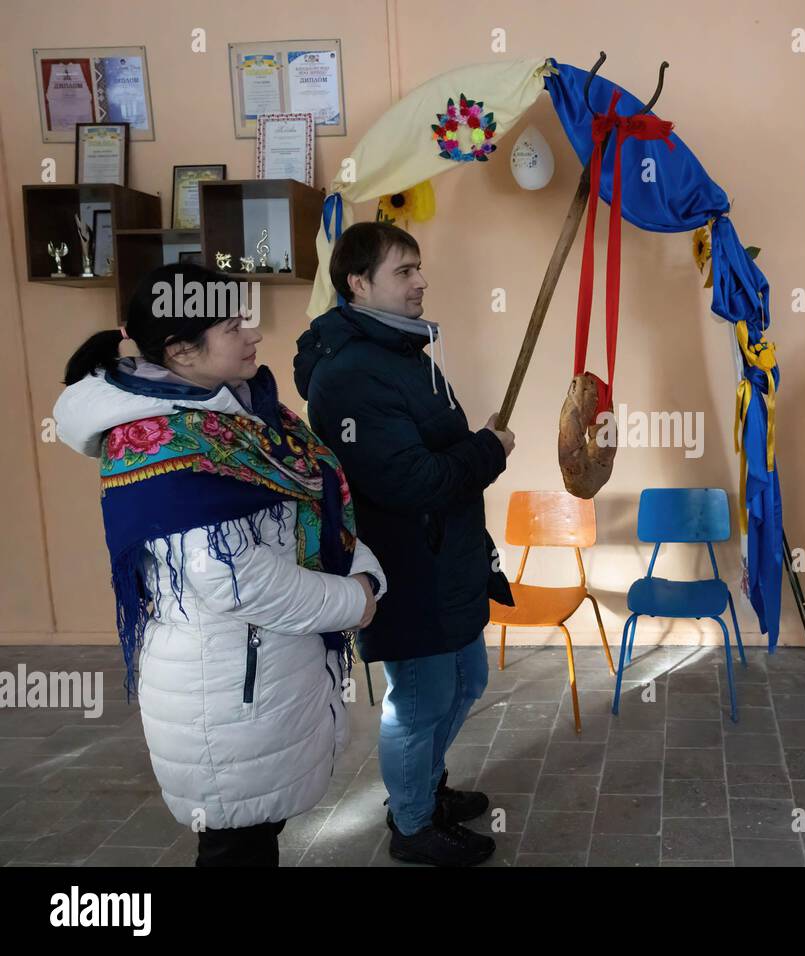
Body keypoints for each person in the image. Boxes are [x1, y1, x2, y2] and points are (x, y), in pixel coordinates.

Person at [53, 262, 386, 865]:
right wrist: (355, 601)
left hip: (263, 671)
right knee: (236, 846)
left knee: (254, 839)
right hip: (224, 688)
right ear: (182, 351)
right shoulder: (166, 438)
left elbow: (314, 502)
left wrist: (361, 568)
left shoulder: (242, 414)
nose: (254, 335)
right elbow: (233, 578)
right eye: (234, 326)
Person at [293, 221, 515, 867]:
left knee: (468, 679)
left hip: (448, 560)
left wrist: (477, 447)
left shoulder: (403, 353)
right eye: (404, 271)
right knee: (419, 702)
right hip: (407, 569)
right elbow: (413, 481)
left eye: (419, 268)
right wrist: (488, 450)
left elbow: (434, 454)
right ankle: (413, 825)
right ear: (358, 284)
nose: (420, 282)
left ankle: (424, 787)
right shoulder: (351, 376)